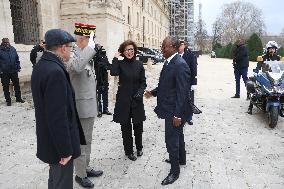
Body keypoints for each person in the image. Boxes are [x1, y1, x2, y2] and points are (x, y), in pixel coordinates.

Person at [31, 29, 86, 189]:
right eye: (71, 47)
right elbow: (58, 117)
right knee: (62, 183)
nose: (72, 51)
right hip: (59, 145)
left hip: (49, 140)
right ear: (63, 48)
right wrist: (65, 151)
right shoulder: (55, 72)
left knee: (54, 181)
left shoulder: (43, 65)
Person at [145, 36, 191, 185]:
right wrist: (153, 92)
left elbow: (182, 92)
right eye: (162, 46)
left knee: (171, 140)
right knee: (179, 136)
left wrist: (177, 115)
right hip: (170, 107)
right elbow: (167, 85)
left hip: (175, 110)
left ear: (173, 47)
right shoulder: (169, 62)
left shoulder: (180, 64)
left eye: (164, 46)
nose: (162, 49)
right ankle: (181, 159)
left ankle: (174, 171)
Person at [67, 23, 103, 188]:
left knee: (87, 141)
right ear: (82, 39)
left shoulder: (83, 55)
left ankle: (85, 168)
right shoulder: (73, 55)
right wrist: (90, 48)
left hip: (88, 108)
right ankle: (80, 175)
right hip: (80, 109)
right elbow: (77, 66)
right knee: (81, 143)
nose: (93, 42)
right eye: (90, 39)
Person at [110, 40, 147, 161]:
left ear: (134, 51)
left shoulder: (139, 64)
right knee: (125, 127)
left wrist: (140, 93)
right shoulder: (120, 64)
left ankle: (139, 147)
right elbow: (113, 72)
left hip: (136, 99)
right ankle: (129, 151)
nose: (129, 52)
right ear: (123, 52)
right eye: (126, 50)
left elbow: (143, 82)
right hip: (123, 100)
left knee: (138, 126)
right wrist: (115, 57)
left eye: (131, 49)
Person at [0, 38, 25, 106]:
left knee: (17, 85)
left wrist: (18, 66)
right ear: (2, 43)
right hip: (4, 72)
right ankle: (8, 101)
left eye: (7, 42)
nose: (7, 43)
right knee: (5, 87)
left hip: (14, 70)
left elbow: (17, 59)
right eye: (5, 42)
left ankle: (18, 98)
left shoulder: (13, 49)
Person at [179, 40, 197, 125]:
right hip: (178, 82)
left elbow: (194, 69)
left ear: (184, 46)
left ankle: (189, 118)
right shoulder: (175, 55)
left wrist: (194, 83)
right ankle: (181, 116)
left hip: (188, 81)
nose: (179, 46)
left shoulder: (190, 55)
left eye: (181, 45)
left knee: (189, 99)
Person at [93, 46, 112, 117]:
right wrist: (103, 65)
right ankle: (99, 110)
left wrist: (112, 66)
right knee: (98, 95)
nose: (103, 51)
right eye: (101, 50)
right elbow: (96, 65)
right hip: (98, 78)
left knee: (105, 94)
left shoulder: (105, 57)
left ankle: (105, 109)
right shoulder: (95, 57)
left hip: (105, 78)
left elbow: (108, 65)